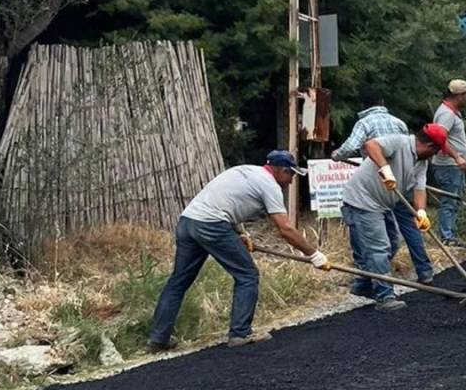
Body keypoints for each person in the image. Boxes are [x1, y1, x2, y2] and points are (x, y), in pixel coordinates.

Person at [147, 151, 329, 351]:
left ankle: (158, 339)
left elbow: (224, 203)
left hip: (187, 222)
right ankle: (240, 333)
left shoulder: (244, 171)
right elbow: (285, 229)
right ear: (282, 171)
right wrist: (314, 255)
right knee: (247, 275)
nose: (291, 181)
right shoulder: (269, 185)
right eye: (291, 175)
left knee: (178, 281)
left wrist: (239, 234)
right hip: (211, 225)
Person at [340, 124, 447, 311]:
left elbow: (419, 188)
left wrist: (420, 211)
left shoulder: (421, 161)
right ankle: (385, 298)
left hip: (383, 204)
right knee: (379, 248)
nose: (436, 154)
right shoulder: (400, 142)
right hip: (362, 200)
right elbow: (371, 145)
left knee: (392, 243)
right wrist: (385, 169)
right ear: (430, 146)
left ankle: (363, 284)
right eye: (437, 150)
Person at [430, 79, 466, 247]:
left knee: (454, 199)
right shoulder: (446, 114)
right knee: (449, 200)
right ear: (458, 95)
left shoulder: (451, 112)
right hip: (447, 165)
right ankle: (447, 237)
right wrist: (457, 157)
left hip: (452, 165)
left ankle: (451, 234)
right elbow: (439, 138)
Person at [332, 87, 409, 161]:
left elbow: (350, 147)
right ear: (382, 102)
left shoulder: (364, 123)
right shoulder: (400, 123)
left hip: (374, 170)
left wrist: (336, 155)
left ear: (362, 105)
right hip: (399, 172)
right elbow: (407, 149)